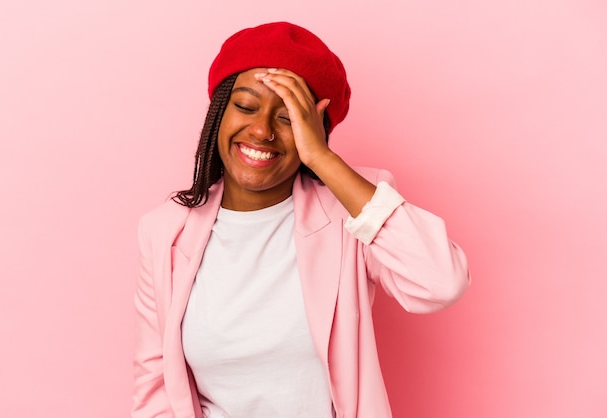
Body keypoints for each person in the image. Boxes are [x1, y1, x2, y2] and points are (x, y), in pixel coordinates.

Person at [133, 21, 470, 418]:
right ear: (219, 113)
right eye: (244, 106)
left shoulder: (352, 211)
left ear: (315, 130)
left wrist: (323, 160)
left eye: (288, 117)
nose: (260, 130)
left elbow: (440, 283)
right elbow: (155, 387)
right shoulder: (164, 230)